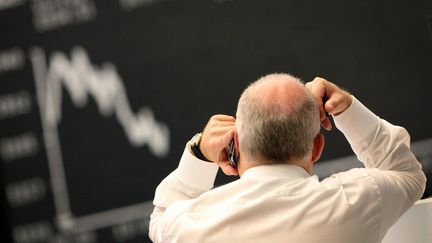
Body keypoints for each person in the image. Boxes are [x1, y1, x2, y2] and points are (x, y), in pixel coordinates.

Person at [149, 73, 426, 243]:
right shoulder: (358, 199)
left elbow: (160, 219)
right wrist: (348, 109)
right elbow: (407, 175)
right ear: (317, 148)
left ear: (235, 144)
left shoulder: (191, 224)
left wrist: (199, 154)